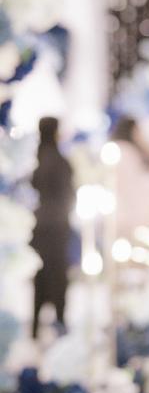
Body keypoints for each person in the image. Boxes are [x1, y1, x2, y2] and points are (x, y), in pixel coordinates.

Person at [30, 116, 74, 338]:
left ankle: (35, 328)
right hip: (57, 227)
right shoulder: (61, 162)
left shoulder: (35, 160)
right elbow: (69, 194)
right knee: (58, 276)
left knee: (40, 277)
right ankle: (60, 322)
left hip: (38, 227)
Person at [109, 115, 149, 240]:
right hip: (133, 213)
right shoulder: (124, 151)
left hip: (137, 212)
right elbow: (129, 185)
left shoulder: (132, 151)